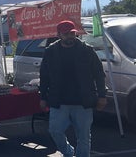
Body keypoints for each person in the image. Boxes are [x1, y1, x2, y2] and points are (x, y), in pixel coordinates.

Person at [39, 20, 107, 157]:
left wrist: (102, 96)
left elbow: (99, 74)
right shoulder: (51, 52)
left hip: (83, 101)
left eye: (72, 33)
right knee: (55, 131)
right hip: (59, 101)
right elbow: (44, 76)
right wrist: (43, 98)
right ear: (59, 35)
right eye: (66, 34)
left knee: (83, 137)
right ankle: (68, 152)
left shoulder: (87, 50)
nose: (70, 36)